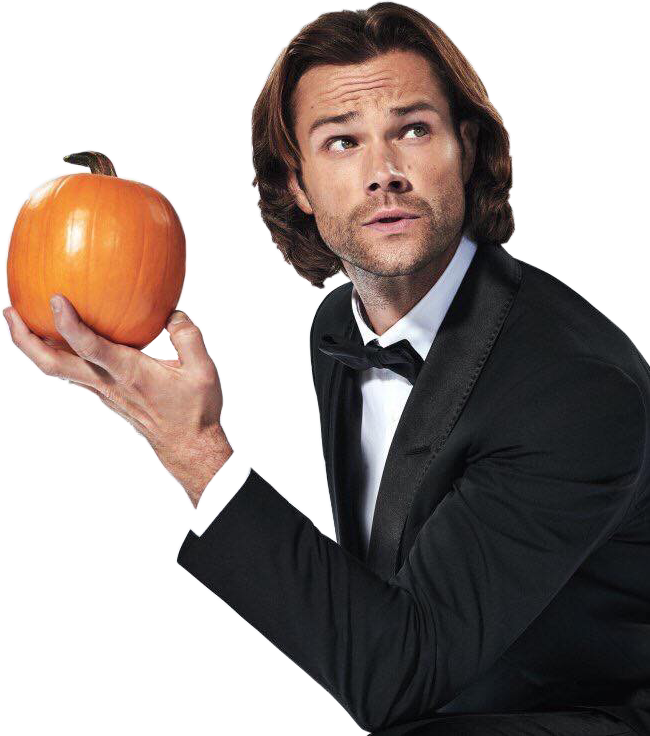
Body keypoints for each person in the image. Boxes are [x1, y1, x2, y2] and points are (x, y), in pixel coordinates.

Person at [3, 3, 648, 734]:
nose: (384, 174)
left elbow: (400, 673)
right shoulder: (338, 327)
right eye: (342, 142)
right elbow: (374, 615)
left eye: (413, 130)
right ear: (298, 187)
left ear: (466, 149)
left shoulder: (577, 388)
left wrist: (195, 451)